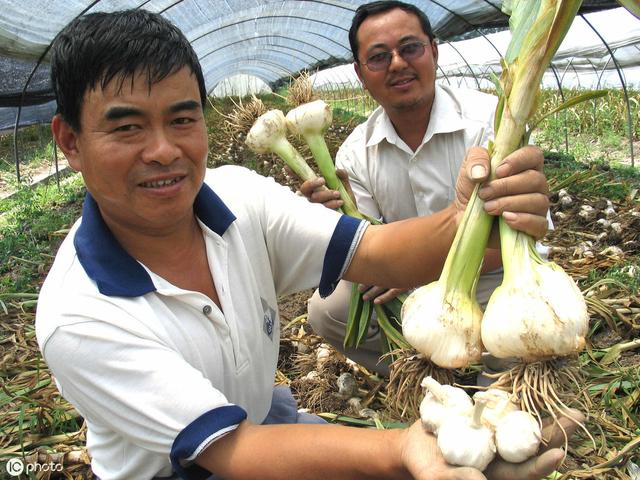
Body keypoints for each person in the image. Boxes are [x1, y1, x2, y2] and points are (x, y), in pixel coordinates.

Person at [36, 8, 577, 480]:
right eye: (127, 128)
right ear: (70, 142)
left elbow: (379, 252)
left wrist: (469, 214)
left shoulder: (239, 197)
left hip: (263, 421)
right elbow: (234, 451)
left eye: (182, 119)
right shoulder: (78, 316)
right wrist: (403, 449)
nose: (163, 150)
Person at [302, 0, 547, 375]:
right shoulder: (354, 152)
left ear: (433, 51)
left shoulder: (490, 123)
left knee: (519, 348)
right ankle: (425, 376)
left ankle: (493, 371)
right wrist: (337, 218)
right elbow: (371, 242)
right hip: (407, 281)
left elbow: (525, 231)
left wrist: (417, 271)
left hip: (493, 276)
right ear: (360, 73)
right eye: (379, 57)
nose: (398, 63)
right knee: (327, 311)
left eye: (410, 48)